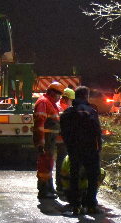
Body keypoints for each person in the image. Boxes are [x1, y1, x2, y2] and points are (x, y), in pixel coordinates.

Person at [60, 86, 103, 215]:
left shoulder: (68, 112)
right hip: (90, 149)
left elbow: (63, 131)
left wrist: (69, 144)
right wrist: (98, 146)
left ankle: (75, 205)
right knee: (92, 176)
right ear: (86, 96)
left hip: (74, 149)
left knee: (75, 176)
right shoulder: (91, 111)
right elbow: (97, 130)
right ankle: (90, 205)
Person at [33, 82, 64, 199]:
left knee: (49, 164)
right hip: (45, 140)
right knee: (44, 164)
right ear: (52, 92)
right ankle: (44, 190)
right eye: (58, 94)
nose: (60, 97)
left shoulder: (50, 103)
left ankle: (49, 188)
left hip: (49, 140)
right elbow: (39, 123)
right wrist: (41, 142)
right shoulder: (43, 102)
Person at [55, 87, 76, 195]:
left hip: (64, 139)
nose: (71, 102)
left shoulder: (64, 107)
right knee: (62, 162)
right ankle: (60, 185)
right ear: (66, 98)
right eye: (71, 100)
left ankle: (62, 184)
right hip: (61, 139)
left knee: (63, 162)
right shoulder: (59, 108)